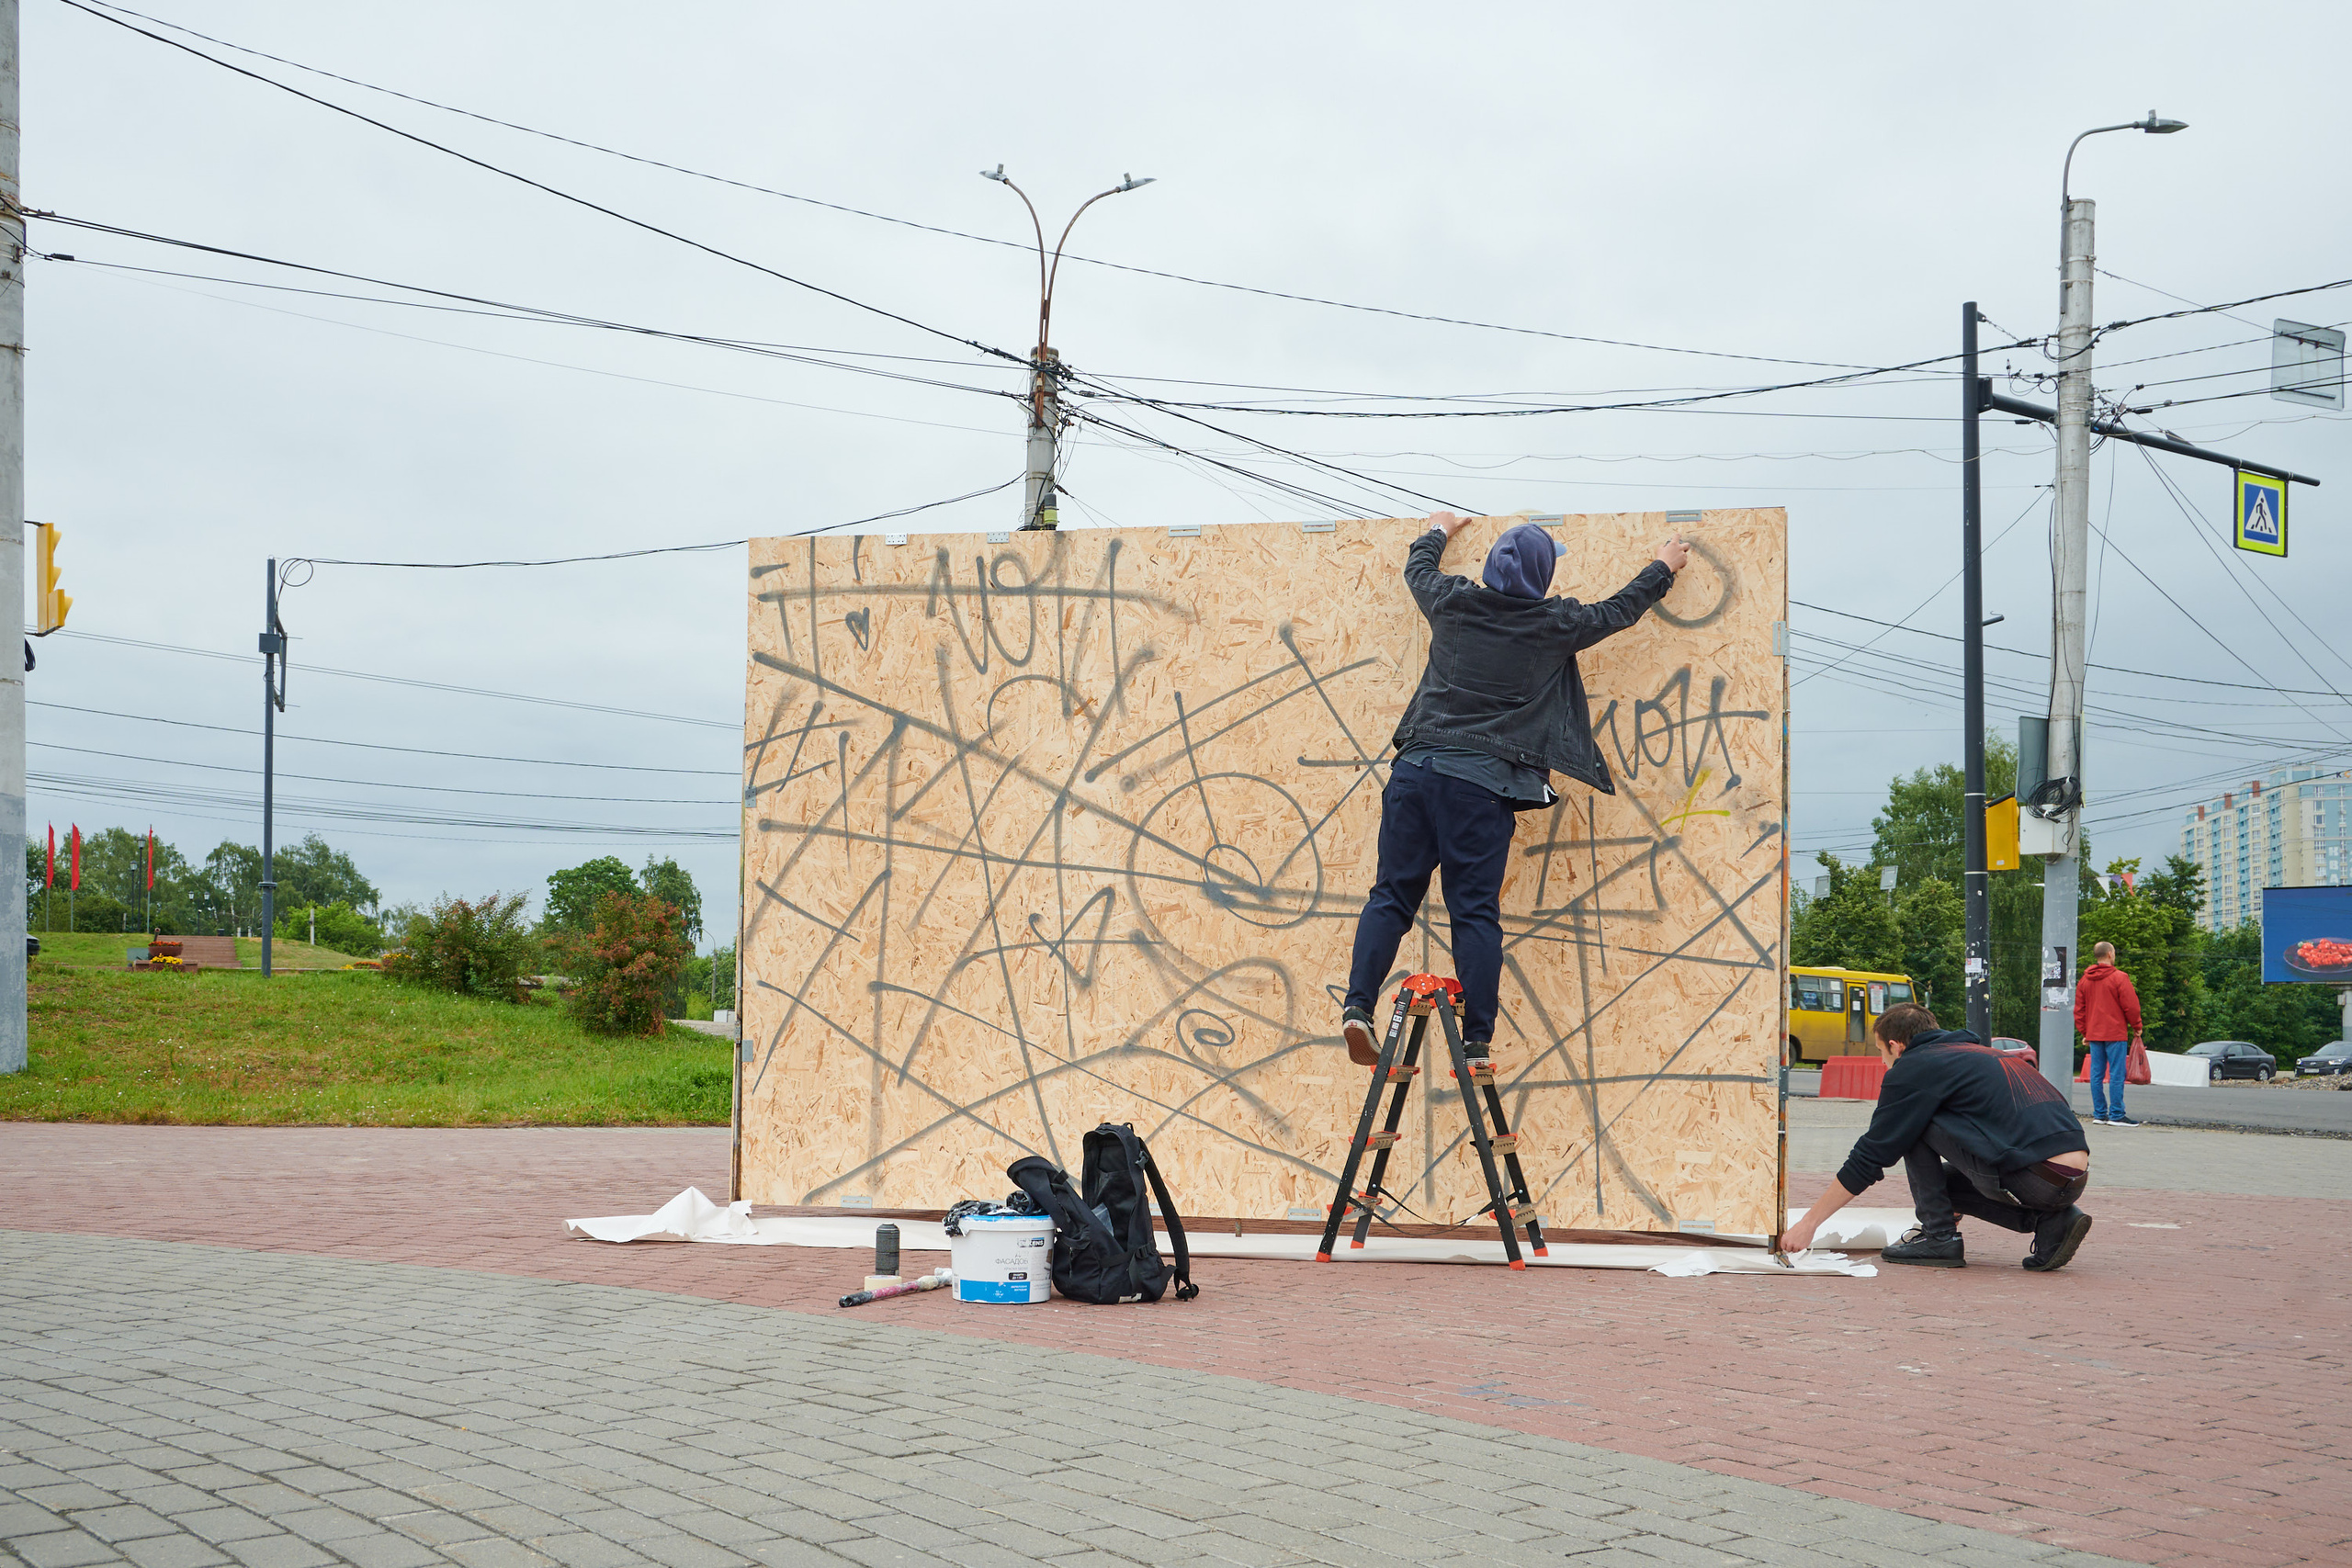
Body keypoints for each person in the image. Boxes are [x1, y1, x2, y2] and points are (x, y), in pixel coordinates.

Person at [1340, 512, 1687, 1065]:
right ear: (1544, 577)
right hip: (1480, 789)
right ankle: (1475, 1039)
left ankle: (1358, 1007)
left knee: (1391, 896)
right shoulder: (1553, 624)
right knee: (1473, 913)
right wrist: (1664, 567)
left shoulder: (1452, 603)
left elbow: (1418, 568)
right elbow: (1618, 611)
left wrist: (1437, 531)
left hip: (1416, 772)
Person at [1781, 1002, 2092, 1271]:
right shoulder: (1977, 1054)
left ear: (1896, 1045)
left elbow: (1870, 1155)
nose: (1882, 1062)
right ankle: (2051, 1222)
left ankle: (1939, 1237)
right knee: (1939, 1184)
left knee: (1912, 1124)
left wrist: (1809, 1224)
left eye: (1880, 1052)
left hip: (2037, 1176)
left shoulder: (1913, 1068)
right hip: (2069, 1178)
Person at [2075, 941, 2143, 1127]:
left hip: (2094, 1034)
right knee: (2116, 1073)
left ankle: (2099, 1114)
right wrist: (2136, 1025)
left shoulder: (2085, 980)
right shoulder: (2119, 978)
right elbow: (2131, 1005)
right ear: (2111, 954)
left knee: (2096, 1074)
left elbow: (2079, 1009)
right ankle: (2117, 1115)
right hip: (2115, 1033)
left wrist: (2085, 1031)